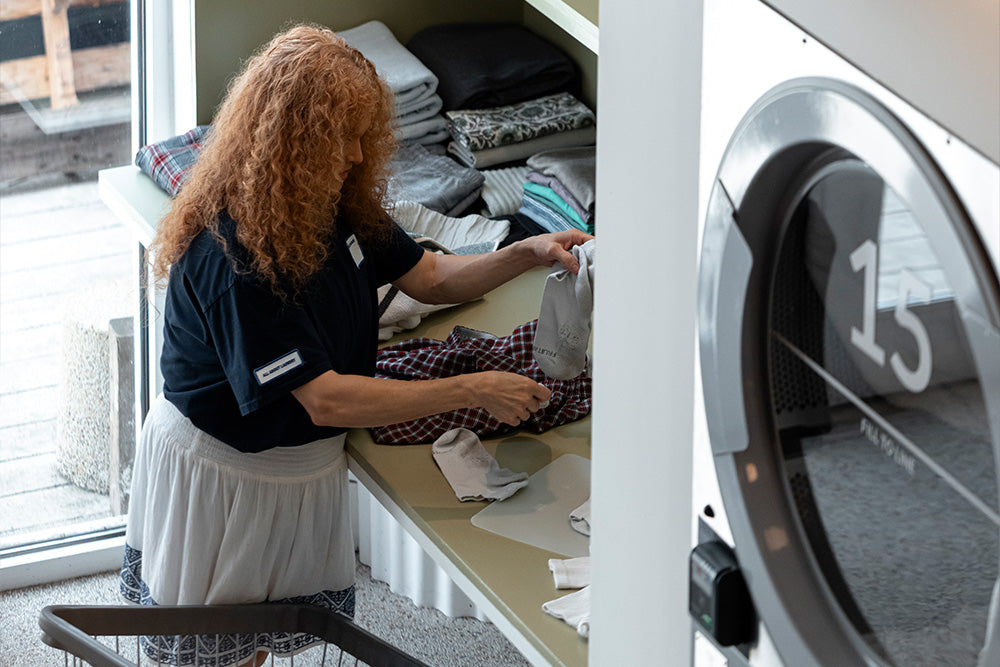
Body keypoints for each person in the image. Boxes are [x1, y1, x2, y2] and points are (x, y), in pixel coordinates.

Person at [119, 24, 592, 667]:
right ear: (292, 142)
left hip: (297, 466)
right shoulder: (234, 256)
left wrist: (527, 253)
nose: (353, 155)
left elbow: (428, 276)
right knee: (213, 653)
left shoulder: (336, 204)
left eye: (361, 136)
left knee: (254, 642)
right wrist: (474, 388)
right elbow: (326, 401)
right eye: (339, 138)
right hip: (228, 471)